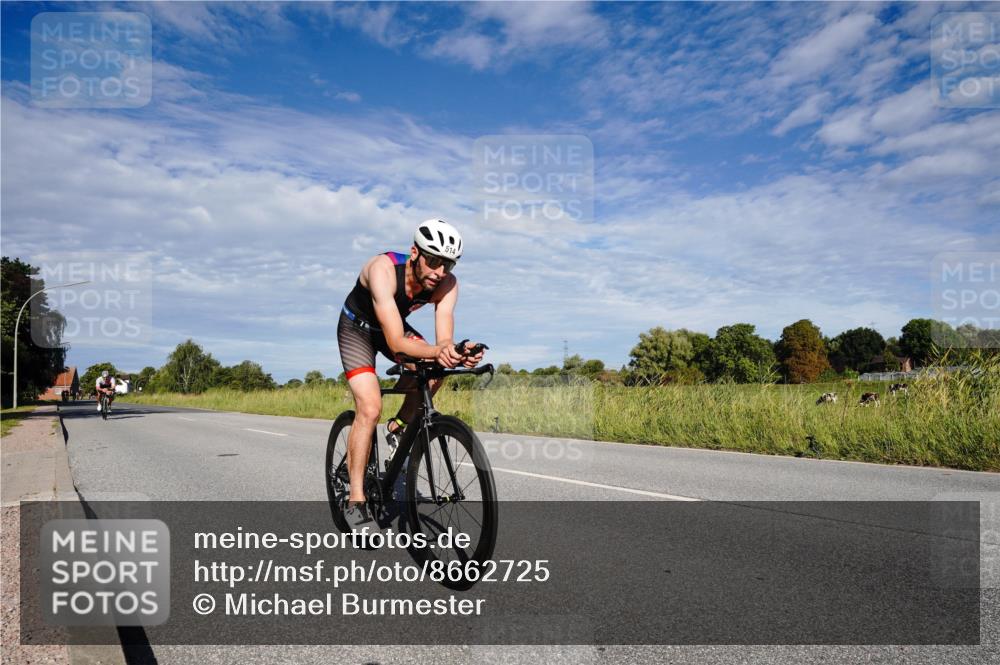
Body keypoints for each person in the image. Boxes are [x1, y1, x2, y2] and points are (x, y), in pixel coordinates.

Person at [337, 219, 485, 514]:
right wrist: (438, 351)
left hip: (391, 327)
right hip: (357, 330)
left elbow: (444, 339)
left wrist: (455, 352)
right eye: (434, 261)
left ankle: (397, 427)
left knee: (435, 374)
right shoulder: (382, 270)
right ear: (415, 253)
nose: (440, 272)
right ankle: (356, 499)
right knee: (370, 408)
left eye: (448, 265)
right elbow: (396, 343)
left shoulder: (447, 284)